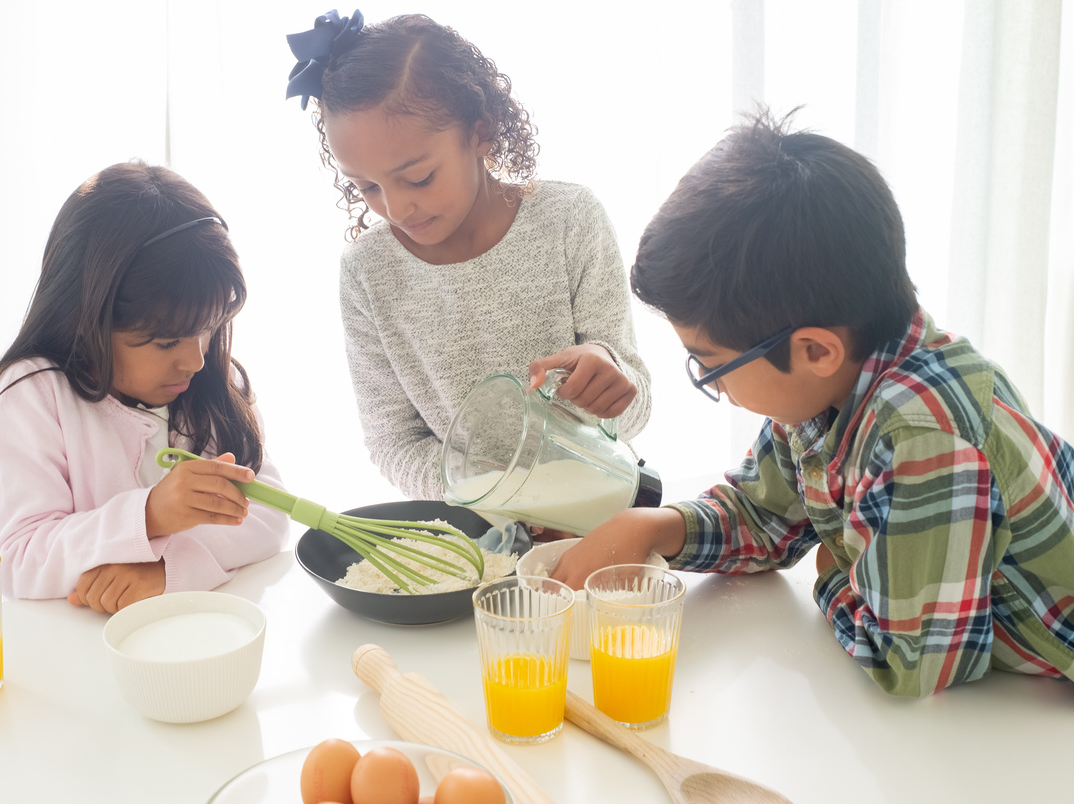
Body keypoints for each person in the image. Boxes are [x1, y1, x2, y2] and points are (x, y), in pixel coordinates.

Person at [552, 109, 1074, 697]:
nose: (714, 385)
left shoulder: (925, 437)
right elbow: (765, 514)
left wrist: (832, 572)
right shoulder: (823, 391)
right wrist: (654, 525)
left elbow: (910, 662)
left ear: (815, 350)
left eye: (711, 365)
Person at [285, 10, 652, 502]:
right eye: (366, 187)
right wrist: (492, 494)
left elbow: (634, 407)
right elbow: (393, 441)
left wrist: (609, 375)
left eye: (418, 179)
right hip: (473, 531)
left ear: (482, 132)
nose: (395, 208)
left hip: (596, 506)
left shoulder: (570, 219)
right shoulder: (367, 272)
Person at [0, 161, 290, 614]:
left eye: (210, 328)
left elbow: (268, 515)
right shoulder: (30, 396)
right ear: (87, 321)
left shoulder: (213, 382)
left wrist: (165, 572)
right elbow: (19, 558)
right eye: (166, 342)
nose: (195, 359)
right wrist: (150, 515)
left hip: (199, 636)